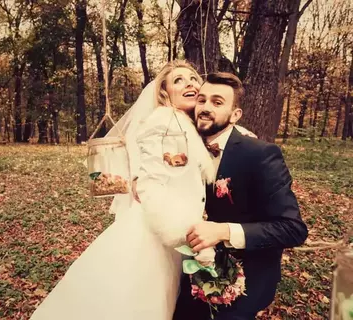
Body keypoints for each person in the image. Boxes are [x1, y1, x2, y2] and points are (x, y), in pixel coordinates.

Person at [30, 60, 216, 320]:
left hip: (174, 230)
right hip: (159, 232)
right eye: (179, 80)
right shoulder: (163, 122)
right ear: (164, 93)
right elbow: (151, 186)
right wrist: (183, 235)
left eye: (194, 79)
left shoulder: (187, 125)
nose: (190, 84)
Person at [173, 72, 308, 320]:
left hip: (247, 271)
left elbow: (293, 229)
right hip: (194, 265)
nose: (205, 108)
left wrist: (224, 231)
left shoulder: (260, 154)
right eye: (201, 100)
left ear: (235, 115)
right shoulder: (185, 147)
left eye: (217, 102)